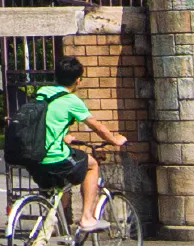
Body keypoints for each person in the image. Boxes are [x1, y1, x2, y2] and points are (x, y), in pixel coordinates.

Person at [28, 56, 128, 235]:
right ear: (77, 80)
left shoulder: (43, 92)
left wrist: (64, 136)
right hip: (54, 156)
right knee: (91, 165)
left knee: (59, 197)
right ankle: (87, 218)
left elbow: (46, 121)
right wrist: (115, 140)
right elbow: (96, 126)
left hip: (33, 156)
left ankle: (43, 243)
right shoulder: (72, 101)